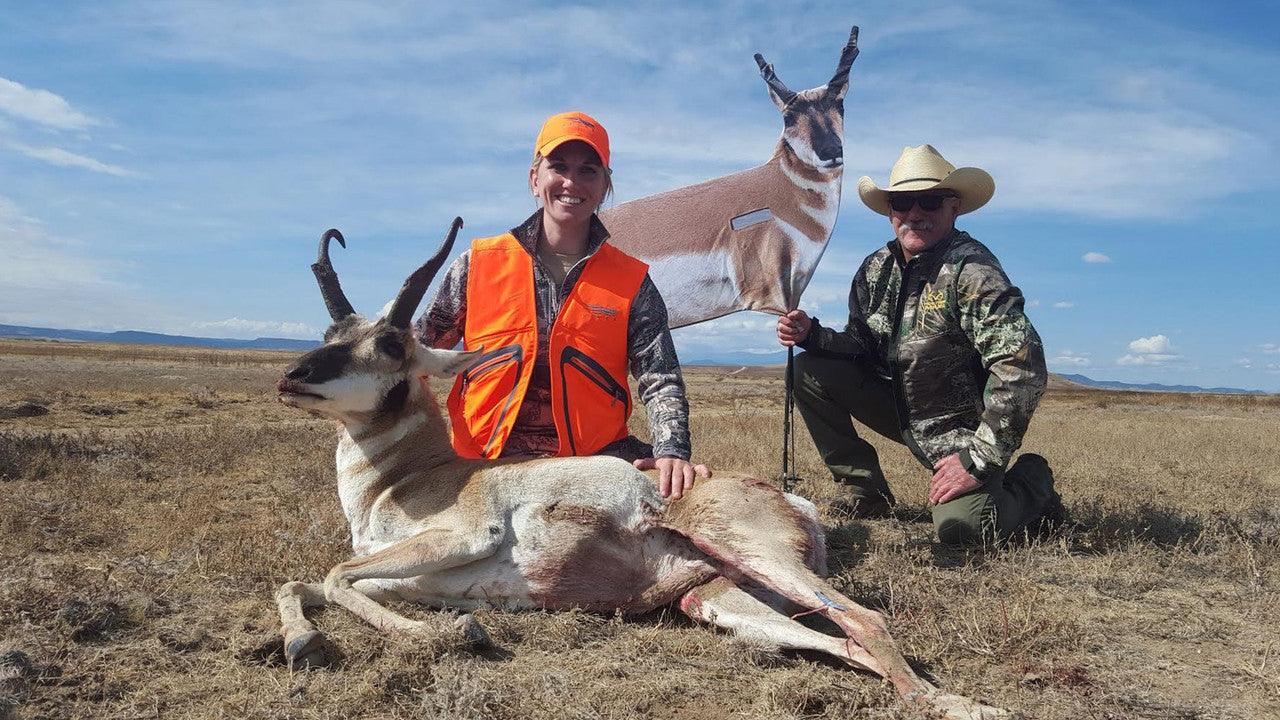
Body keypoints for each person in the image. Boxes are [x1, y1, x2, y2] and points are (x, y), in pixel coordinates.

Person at [776, 144, 1063, 544]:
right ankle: (864, 490)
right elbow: (863, 343)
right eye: (902, 203)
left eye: (929, 202)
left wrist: (977, 460)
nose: (914, 214)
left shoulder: (974, 271)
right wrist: (813, 335)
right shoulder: (875, 268)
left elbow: (1022, 366)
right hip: (901, 409)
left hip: (960, 432)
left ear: (954, 208)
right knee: (808, 369)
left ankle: (1033, 482)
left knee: (965, 530)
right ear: (890, 210)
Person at [417, 111, 707, 499]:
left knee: (698, 490)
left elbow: (660, 377)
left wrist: (672, 453)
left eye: (589, 171)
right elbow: (413, 355)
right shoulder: (478, 264)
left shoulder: (631, 280)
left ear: (605, 186)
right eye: (559, 167)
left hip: (594, 464)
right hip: (484, 465)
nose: (572, 182)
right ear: (535, 179)